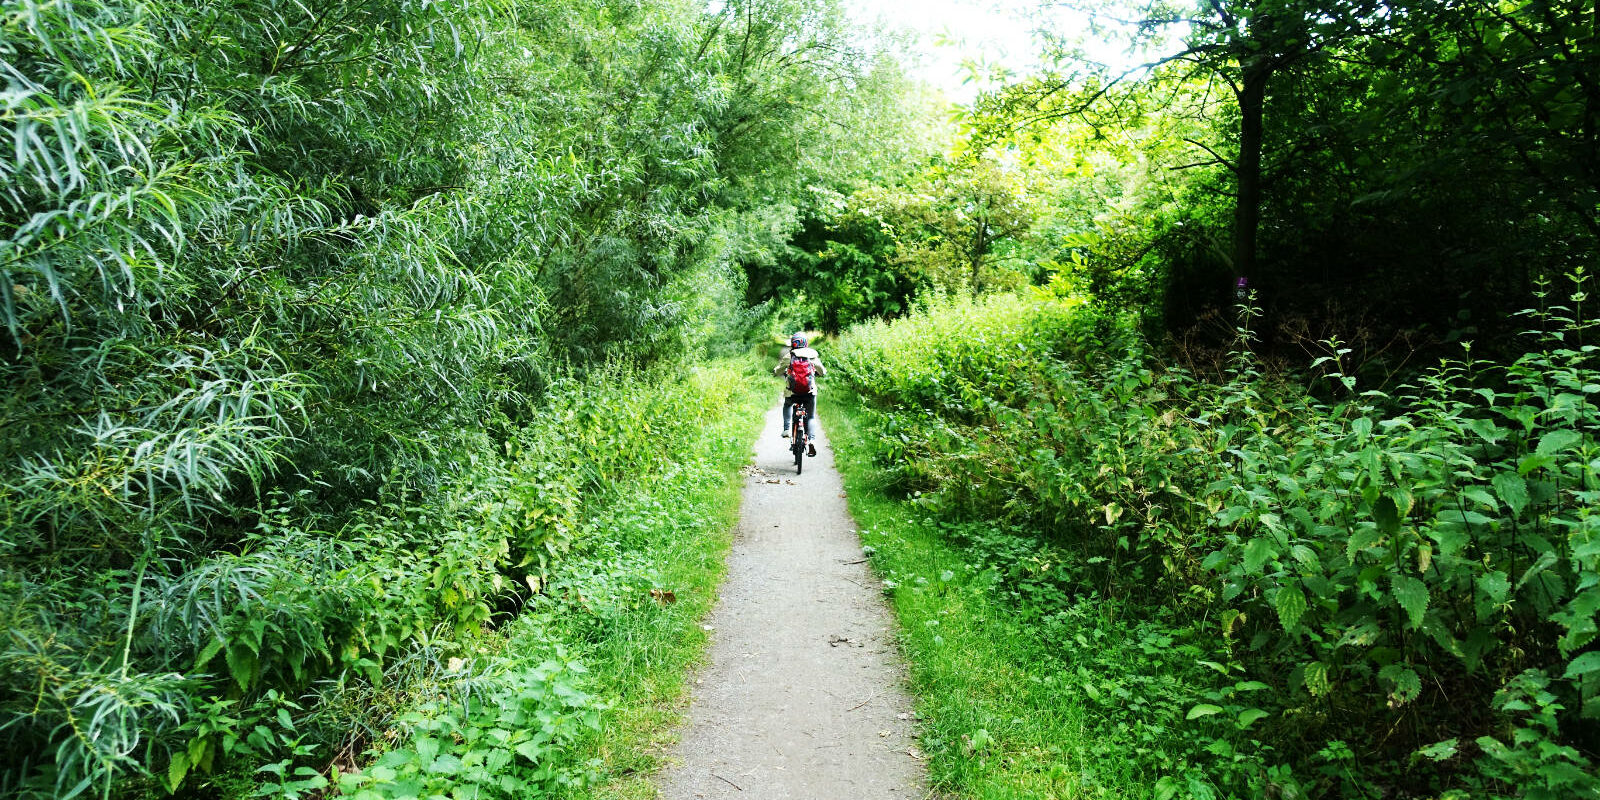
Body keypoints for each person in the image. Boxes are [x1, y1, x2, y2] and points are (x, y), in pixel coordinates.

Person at [775, 333, 825, 457]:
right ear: (805, 343)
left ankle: (787, 429)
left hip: (792, 392)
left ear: (793, 343)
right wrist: (819, 373)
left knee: (787, 405)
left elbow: (779, 370)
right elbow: (822, 371)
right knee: (811, 417)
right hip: (809, 392)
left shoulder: (789, 355)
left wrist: (776, 372)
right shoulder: (812, 355)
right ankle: (811, 441)